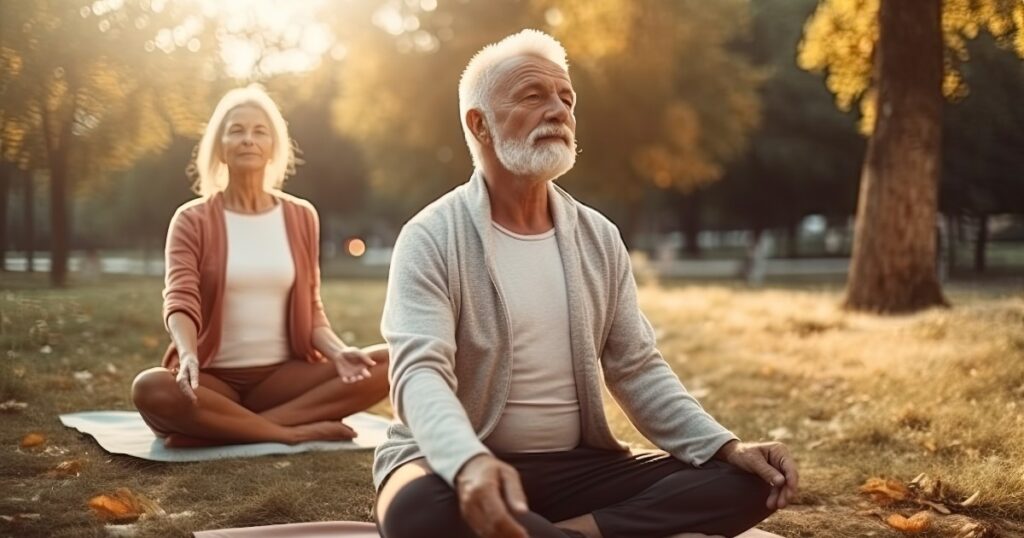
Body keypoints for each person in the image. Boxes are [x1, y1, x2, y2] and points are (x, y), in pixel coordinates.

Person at [373, 30, 799, 538]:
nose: (559, 111)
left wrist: (727, 446)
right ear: (479, 123)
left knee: (746, 481)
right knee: (417, 514)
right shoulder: (430, 236)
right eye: (534, 96)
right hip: (450, 464)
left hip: (578, 470)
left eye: (567, 99)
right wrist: (467, 463)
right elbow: (419, 375)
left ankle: (559, 532)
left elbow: (636, 367)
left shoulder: (599, 236)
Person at [131, 85, 388, 447]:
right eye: (236, 130)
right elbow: (180, 299)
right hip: (213, 380)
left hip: (283, 381)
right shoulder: (192, 219)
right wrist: (187, 354)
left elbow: (312, 308)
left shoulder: (301, 216)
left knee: (392, 361)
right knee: (151, 388)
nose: (248, 140)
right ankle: (288, 432)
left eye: (259, 131)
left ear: (273, 147)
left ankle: (235, 427)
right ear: (220, 146)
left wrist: (337, 351)